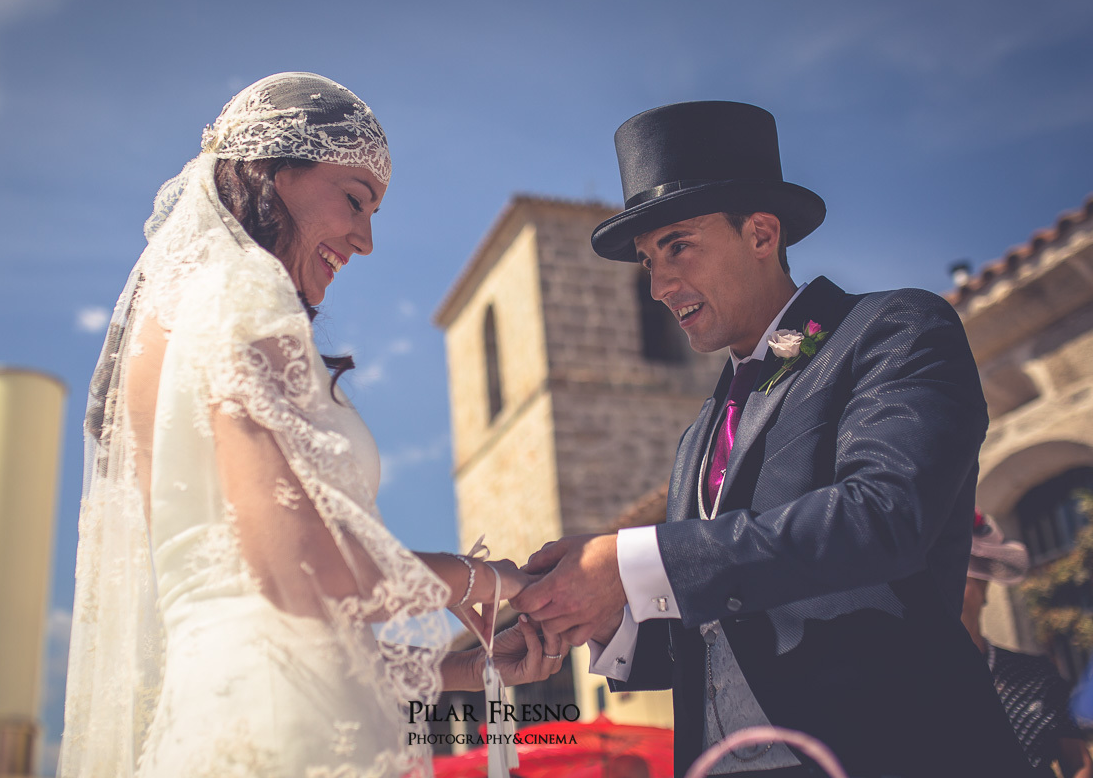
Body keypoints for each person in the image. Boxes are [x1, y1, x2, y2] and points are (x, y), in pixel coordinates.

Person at [58, 73, 562, 778]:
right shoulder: (241, 290)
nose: (366, 240)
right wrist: (488, 579)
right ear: (272, 173)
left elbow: (268, 614)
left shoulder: (171, 324)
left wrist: (452, 670)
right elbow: (306, 569)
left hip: (228, 716)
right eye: (355, 199)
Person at [512, 101, 1031, 776]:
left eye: (678, 247)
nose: (661, 286)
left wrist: (635, 561)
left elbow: (885, 516)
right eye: (647, 262)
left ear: (761, 235)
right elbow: (716, 630)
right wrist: (590, 622)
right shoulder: (699, 434)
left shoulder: (893, 330)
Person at [964, 510, 1093, 778]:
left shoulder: (1034, 676)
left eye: (960, 580)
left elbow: (1079, 763)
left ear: (984, 588)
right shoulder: (901, 685)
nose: (946, 592)